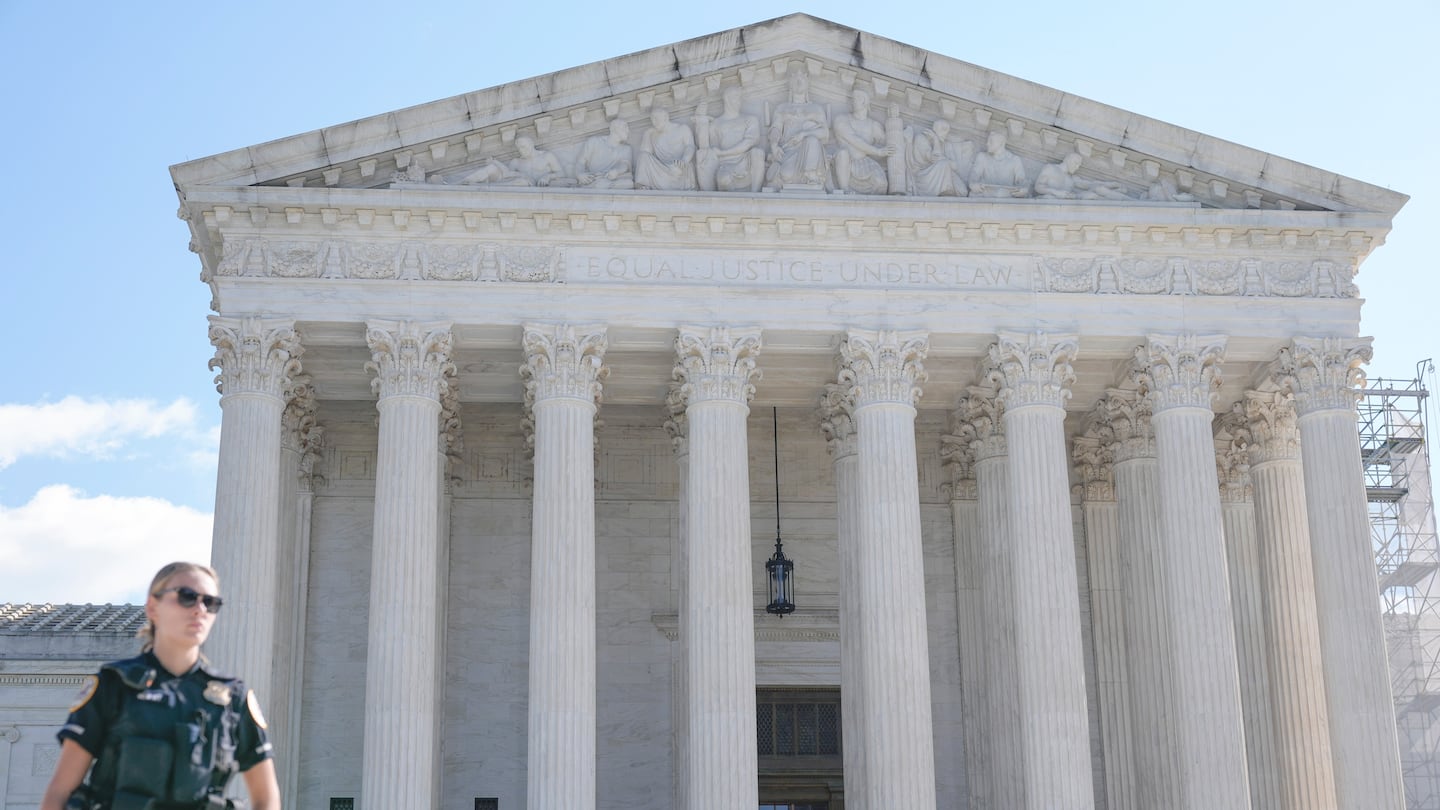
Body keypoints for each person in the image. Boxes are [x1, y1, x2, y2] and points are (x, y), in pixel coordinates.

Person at [40, 562, 280, 810]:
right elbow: (60, 791)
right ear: (153, 607)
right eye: (187, 597)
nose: (200, 609)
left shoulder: (233, 698)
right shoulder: (113, 685)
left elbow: (267, 798)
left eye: (210, 603)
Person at [764, 66, 830, 190]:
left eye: (802, 80)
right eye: (795, 80)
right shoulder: (782, 108)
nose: (799, 82)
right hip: (788, 150)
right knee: (786, 174)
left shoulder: (816, 109)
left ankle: (811, 175)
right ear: (790, 85)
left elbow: (825, 134)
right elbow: (775, 129)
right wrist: (773, 145)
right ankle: (780, 171)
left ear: (807, 85)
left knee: (812, 140)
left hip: (811, 153)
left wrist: (804, 134)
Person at [695, 87, 765, 192]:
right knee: (723, 179)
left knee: (758, 153)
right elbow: (706, 148)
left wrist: (724, 153)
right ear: (727, 99)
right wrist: (701, 119)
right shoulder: (716, 123)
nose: (739, 101)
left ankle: (755, 196)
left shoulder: (750, 119)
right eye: (736, 98)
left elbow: (749, 142)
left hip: (745, 160)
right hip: (725, 164)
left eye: (739, 98)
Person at [831, 89, 894, 195]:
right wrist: (878, 151)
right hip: (846, 163)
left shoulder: (874, 126)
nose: (852, 101)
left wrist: (904, 137)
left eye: (855, 98)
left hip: (864, 162)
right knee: (843, 153)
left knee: (881, 183)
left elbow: (888, 145)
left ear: (864, 102)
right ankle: (845, 189)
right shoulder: (841, 119)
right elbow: (854, 139)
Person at [634, 106, 697, 191]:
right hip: (660, 168)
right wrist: (647, 134)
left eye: (656, 118)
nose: (654, 122)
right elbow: (645, 154)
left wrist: (684, 160)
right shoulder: (652, 134)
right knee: (643, 155)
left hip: (678, 168)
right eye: (652, 119)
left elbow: (690, 147)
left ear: (666, 117)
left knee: (680, 168)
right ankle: (643, 185)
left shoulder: (682, 129)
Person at [908, 118, 971, 197]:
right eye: (943, 130)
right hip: (923, 175)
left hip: (938, 172)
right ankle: (946, 192)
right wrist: (936, 140)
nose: (945, 134)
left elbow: (953, 165)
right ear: (935, 129)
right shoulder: (921, 138)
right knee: (945, 164)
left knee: (963, 191)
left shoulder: (942, 143)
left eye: (947, 131)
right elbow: (934, 158)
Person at [1034, 152, 1132, 200]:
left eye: (1078, 165)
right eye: (1075, 163)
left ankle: (1126, 203)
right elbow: (1038, 187)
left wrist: (1112, 184)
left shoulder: (1071, 179)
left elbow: (1090, 184)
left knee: (1094, 193)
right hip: (1051, 200)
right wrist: (1056, 193)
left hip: (1070, 202)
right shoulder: (1051, 168)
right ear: (1067, 159)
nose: (1077, 167)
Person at [968, 130, 1030, 198]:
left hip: (1007, 197)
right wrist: (973, 185)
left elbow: (1022, 181)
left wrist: (1024, 189)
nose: (987, 144)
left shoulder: (1014, 160)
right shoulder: (982, 157)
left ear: (1001, 143)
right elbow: (974, 176)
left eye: (991, 141)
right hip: (985, 195)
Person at [575, 119, 635, 189]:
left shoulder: (626, 149)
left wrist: (617, 171)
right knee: (600, 184)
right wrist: (579, 174)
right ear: (615, 129)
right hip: (594, 179)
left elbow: (625, 165)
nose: (628, 131)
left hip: (614, 180)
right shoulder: (594, 141)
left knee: (628, 183)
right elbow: (581, 161)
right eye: (625, 127)